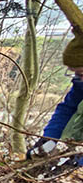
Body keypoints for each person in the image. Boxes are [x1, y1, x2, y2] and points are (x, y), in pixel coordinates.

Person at [28, 30, 83, 160]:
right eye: (75, 74)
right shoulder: (80, 84)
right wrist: (49, 138)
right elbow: (67, 108)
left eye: (81, 73)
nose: (79, 78)